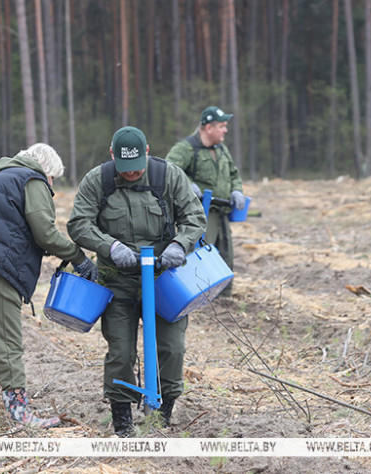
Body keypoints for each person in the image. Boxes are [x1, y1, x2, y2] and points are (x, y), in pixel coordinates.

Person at [0, 143, 98, 431]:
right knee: (6, 341)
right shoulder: (33, 179)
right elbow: (44, 231)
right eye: (53, 179)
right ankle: (20, 413)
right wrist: (78, 257)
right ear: (47, 170)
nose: (51, 185)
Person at [67, 126, 206, 437]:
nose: (131, 174)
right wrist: (110, 247)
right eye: (124, 169)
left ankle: (162, 415)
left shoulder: (168, 176)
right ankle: (123, 421)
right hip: (118, 282)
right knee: (121, 351)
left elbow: (195, 217)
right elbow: (78, 224)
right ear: (112, 156)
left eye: (137, 168)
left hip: (164, 279)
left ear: (147, 152)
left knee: (172, 347)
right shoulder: (98, 180)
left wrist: (179, 245)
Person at [165, 106, 245, 296]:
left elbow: (234, 173)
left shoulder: (221, 150)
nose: (225, 130)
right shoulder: (186, 148)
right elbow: (169, 168)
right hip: (200, 213)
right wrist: (188, 184)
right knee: (200, 255)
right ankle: (196, 296)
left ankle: (224, 299)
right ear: (209, 128)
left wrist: (236, 190)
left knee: (225, 256)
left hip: (222, 212)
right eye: (222, 126)